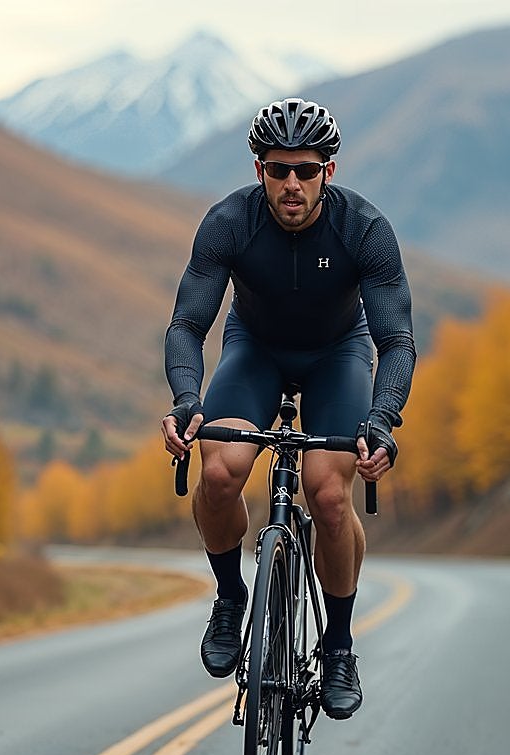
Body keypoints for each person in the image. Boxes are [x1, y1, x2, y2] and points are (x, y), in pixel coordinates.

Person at [161, 98, 415, 720]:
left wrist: (382, 420)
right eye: (279, 170)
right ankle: (230, 598)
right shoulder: (229, 223)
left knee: (327, 494)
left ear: (329, 170)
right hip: (255, 351)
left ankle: (339, 646)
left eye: (305, 169)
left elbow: (397, 341)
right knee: (220, 471)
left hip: (338, 354)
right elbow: (187, 324)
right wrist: (187, 401)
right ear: (260, 171)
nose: (292, 184)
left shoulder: (364, 229)